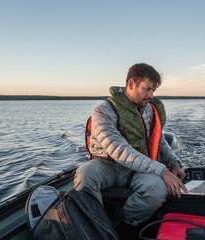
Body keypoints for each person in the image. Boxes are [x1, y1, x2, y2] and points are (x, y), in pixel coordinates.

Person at [74, 63, 187, 237]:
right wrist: (162, 171)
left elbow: (160, 140)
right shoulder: (103, 111)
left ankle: (122, 223)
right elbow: (119, 150)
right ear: (131, 84)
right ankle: (95, 225)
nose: (151, 95)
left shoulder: (149, 110)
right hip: (107, 165)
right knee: (85, 173)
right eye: (147, 89)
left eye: (153, 91)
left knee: (157, 189)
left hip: (136, 168)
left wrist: (175, 163)